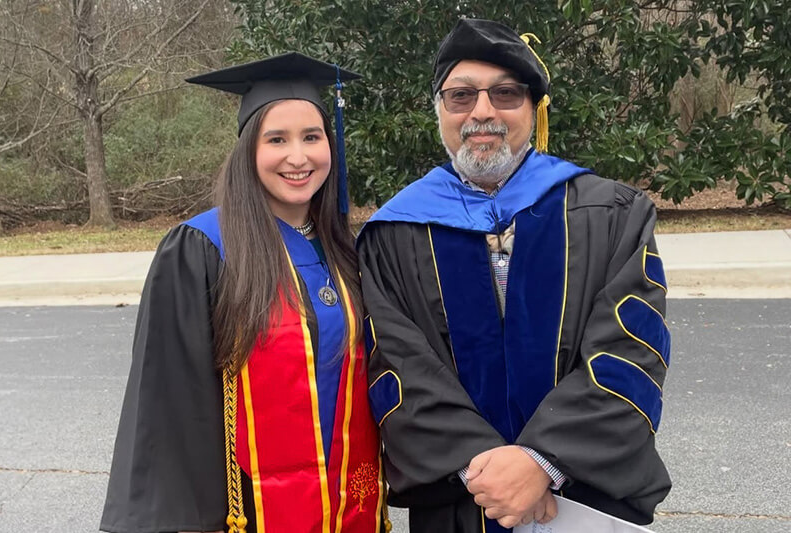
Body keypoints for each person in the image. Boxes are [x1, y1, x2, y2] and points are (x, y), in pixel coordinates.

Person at [358, 18, 671, 533]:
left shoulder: (614, 213)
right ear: (439, 111)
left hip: (582, 498)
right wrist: (487, 471)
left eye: (505, 93)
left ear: (534, 108)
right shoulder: (394, 232)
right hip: (461, 501)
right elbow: (396, 362)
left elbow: (630, 349)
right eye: (461, 96)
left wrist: (542, 463)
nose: (482, 111)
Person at [101, 53, 384, 533]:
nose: (299, 157)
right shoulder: (202, 248)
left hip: (348, 507)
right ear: (249, 149)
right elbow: (168, 405)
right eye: (277, 139)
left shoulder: (346, 250)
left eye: (312, 137)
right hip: (244, 511)